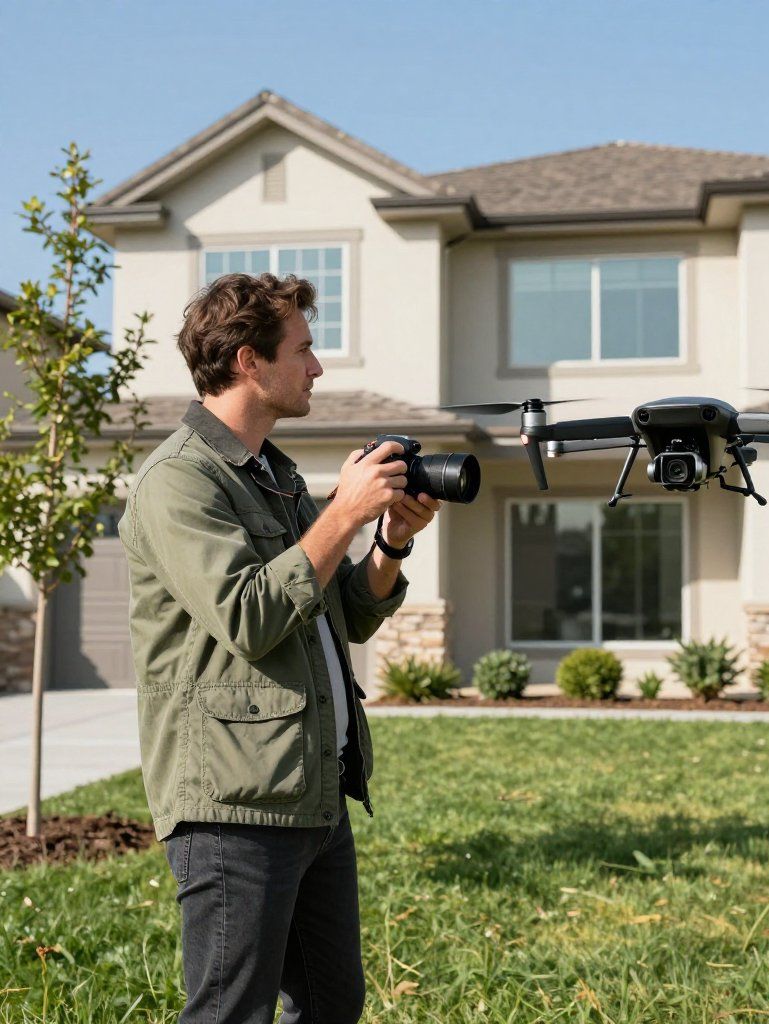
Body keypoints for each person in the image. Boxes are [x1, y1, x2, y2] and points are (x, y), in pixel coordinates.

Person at [118, 272, 440, 1023]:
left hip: (311, 794)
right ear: (248, 362)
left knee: (332, 1005)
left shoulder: (276, 476)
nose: (318, 367)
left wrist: (388, 540)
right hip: (233, 805)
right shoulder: (177, 482)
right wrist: (343, 515)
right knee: (231, 1012)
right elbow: (251, 615)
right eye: (303, 349)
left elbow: (342, 617)